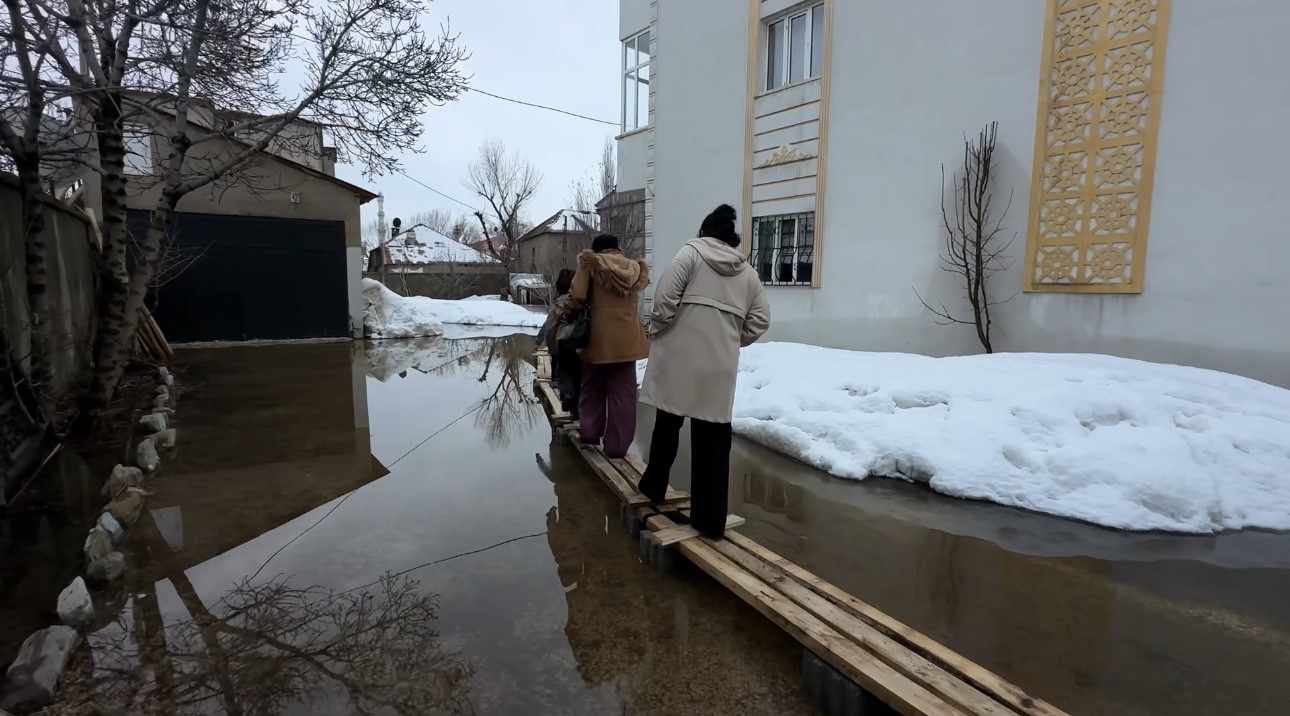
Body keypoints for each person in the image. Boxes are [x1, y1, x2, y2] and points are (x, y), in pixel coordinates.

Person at [638, 204, 770, 539]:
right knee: (713, 442)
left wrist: (659, 328)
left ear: (704, 231)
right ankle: (710, 520)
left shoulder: (690, 255)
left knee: (667, 424)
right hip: (717, 368)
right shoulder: (748, 274)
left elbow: (664, 302)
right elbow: (761, 320)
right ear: (732, 238)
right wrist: (730, 340)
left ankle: (653, 488)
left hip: (678, 359)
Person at [563, 234, 650, 459]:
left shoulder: (590, 264)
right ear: (617, 248)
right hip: (628, 340)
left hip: (598, 337)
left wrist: (569, 311)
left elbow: (577, 296)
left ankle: (591, 434)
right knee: (624, 396)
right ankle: (617, 447)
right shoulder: (634, 268)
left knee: (593, 388)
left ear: (596, 250)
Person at [539, 268, 582, 417]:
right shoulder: (582, 301)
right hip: (582, 341)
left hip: (565, 341)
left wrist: (552, 349)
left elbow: (550, 328)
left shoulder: (558, 304)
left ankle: (568, 398)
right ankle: (580, 403)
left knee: (564, 371)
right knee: (580, 373)